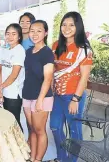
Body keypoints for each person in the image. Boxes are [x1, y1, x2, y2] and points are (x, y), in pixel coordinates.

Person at [50, 11, 93, 162]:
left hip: (73, 96)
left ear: (78, 27)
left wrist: (76, 99)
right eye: (64, 24)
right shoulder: (56, 45)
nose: (66, 28)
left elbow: (84, 77)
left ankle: (71, 160)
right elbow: (52, 70)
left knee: (75, 131)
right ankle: (61, 158)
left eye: (71, 25)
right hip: (58, 96)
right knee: (55, 127)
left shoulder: (84, 49)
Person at [22, 20, 54, 162]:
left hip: (41, 97)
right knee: (32, 129)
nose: (34, 34)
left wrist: (40, 99)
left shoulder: (47, 53)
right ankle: (32, 157)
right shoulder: (28, 51)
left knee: (40, 130)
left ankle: (38, 159)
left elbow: (48, 78)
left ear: (45, 33)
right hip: (27, 94)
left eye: (39, 31)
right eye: (32, 31)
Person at [0, 23, 26, 131]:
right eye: (8, 34)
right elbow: (1, 71)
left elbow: (14, 75)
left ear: (19, 36)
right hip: (5, 91)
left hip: (14, 93)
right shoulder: (6, 50)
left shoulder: (19, 50)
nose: (10, 37)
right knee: (8, 122)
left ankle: (21, 146)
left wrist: (1, 87)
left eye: (14, 34)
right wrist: (0, 88)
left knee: (15, 123)